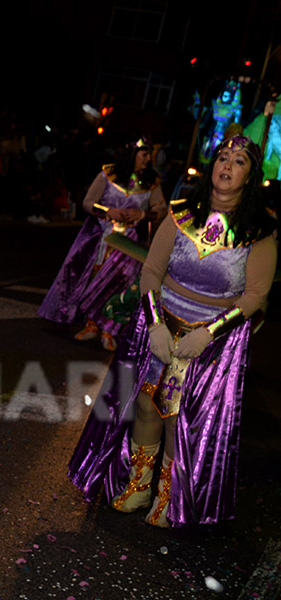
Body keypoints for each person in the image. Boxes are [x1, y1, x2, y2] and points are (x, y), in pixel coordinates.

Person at [68, 135, 277, 527]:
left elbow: (256, 296)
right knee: (146, 403)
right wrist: (156, 326)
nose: (227, 166)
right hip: (162, 325)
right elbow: (151, 271)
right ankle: (139, 484)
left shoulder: (260, 232)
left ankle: (168, 496)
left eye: (239, 162)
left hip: (209, 341)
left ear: (250, 177)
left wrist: (208, 333)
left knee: (177, 416)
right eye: (222, 157)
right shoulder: (181, 213)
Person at [38, 138, 167, 350]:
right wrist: (108, 211)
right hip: (103, 239)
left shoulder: (152, 181)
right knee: (95, 278)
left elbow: (161, 210)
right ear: (133, 155)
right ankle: (90, 325)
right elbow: (88, 203)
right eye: (144, 154)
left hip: (129, 244)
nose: (148, 159)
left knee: (120, 282)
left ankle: (109, 328)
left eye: (149, 154)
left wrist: (141, 213)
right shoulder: (108, 175)